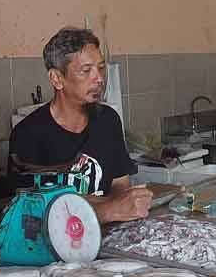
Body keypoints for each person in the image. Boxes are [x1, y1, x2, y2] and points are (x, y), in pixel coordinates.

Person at [9, 27, 152, 223]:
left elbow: (120, 184)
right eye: (86, 71)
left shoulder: (108, 120)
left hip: (106, 238)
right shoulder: (28, 134)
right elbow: (36, 215)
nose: (99, 78)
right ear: (56, 79)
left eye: (101, 67)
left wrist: (128, 201)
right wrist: (108, 210)